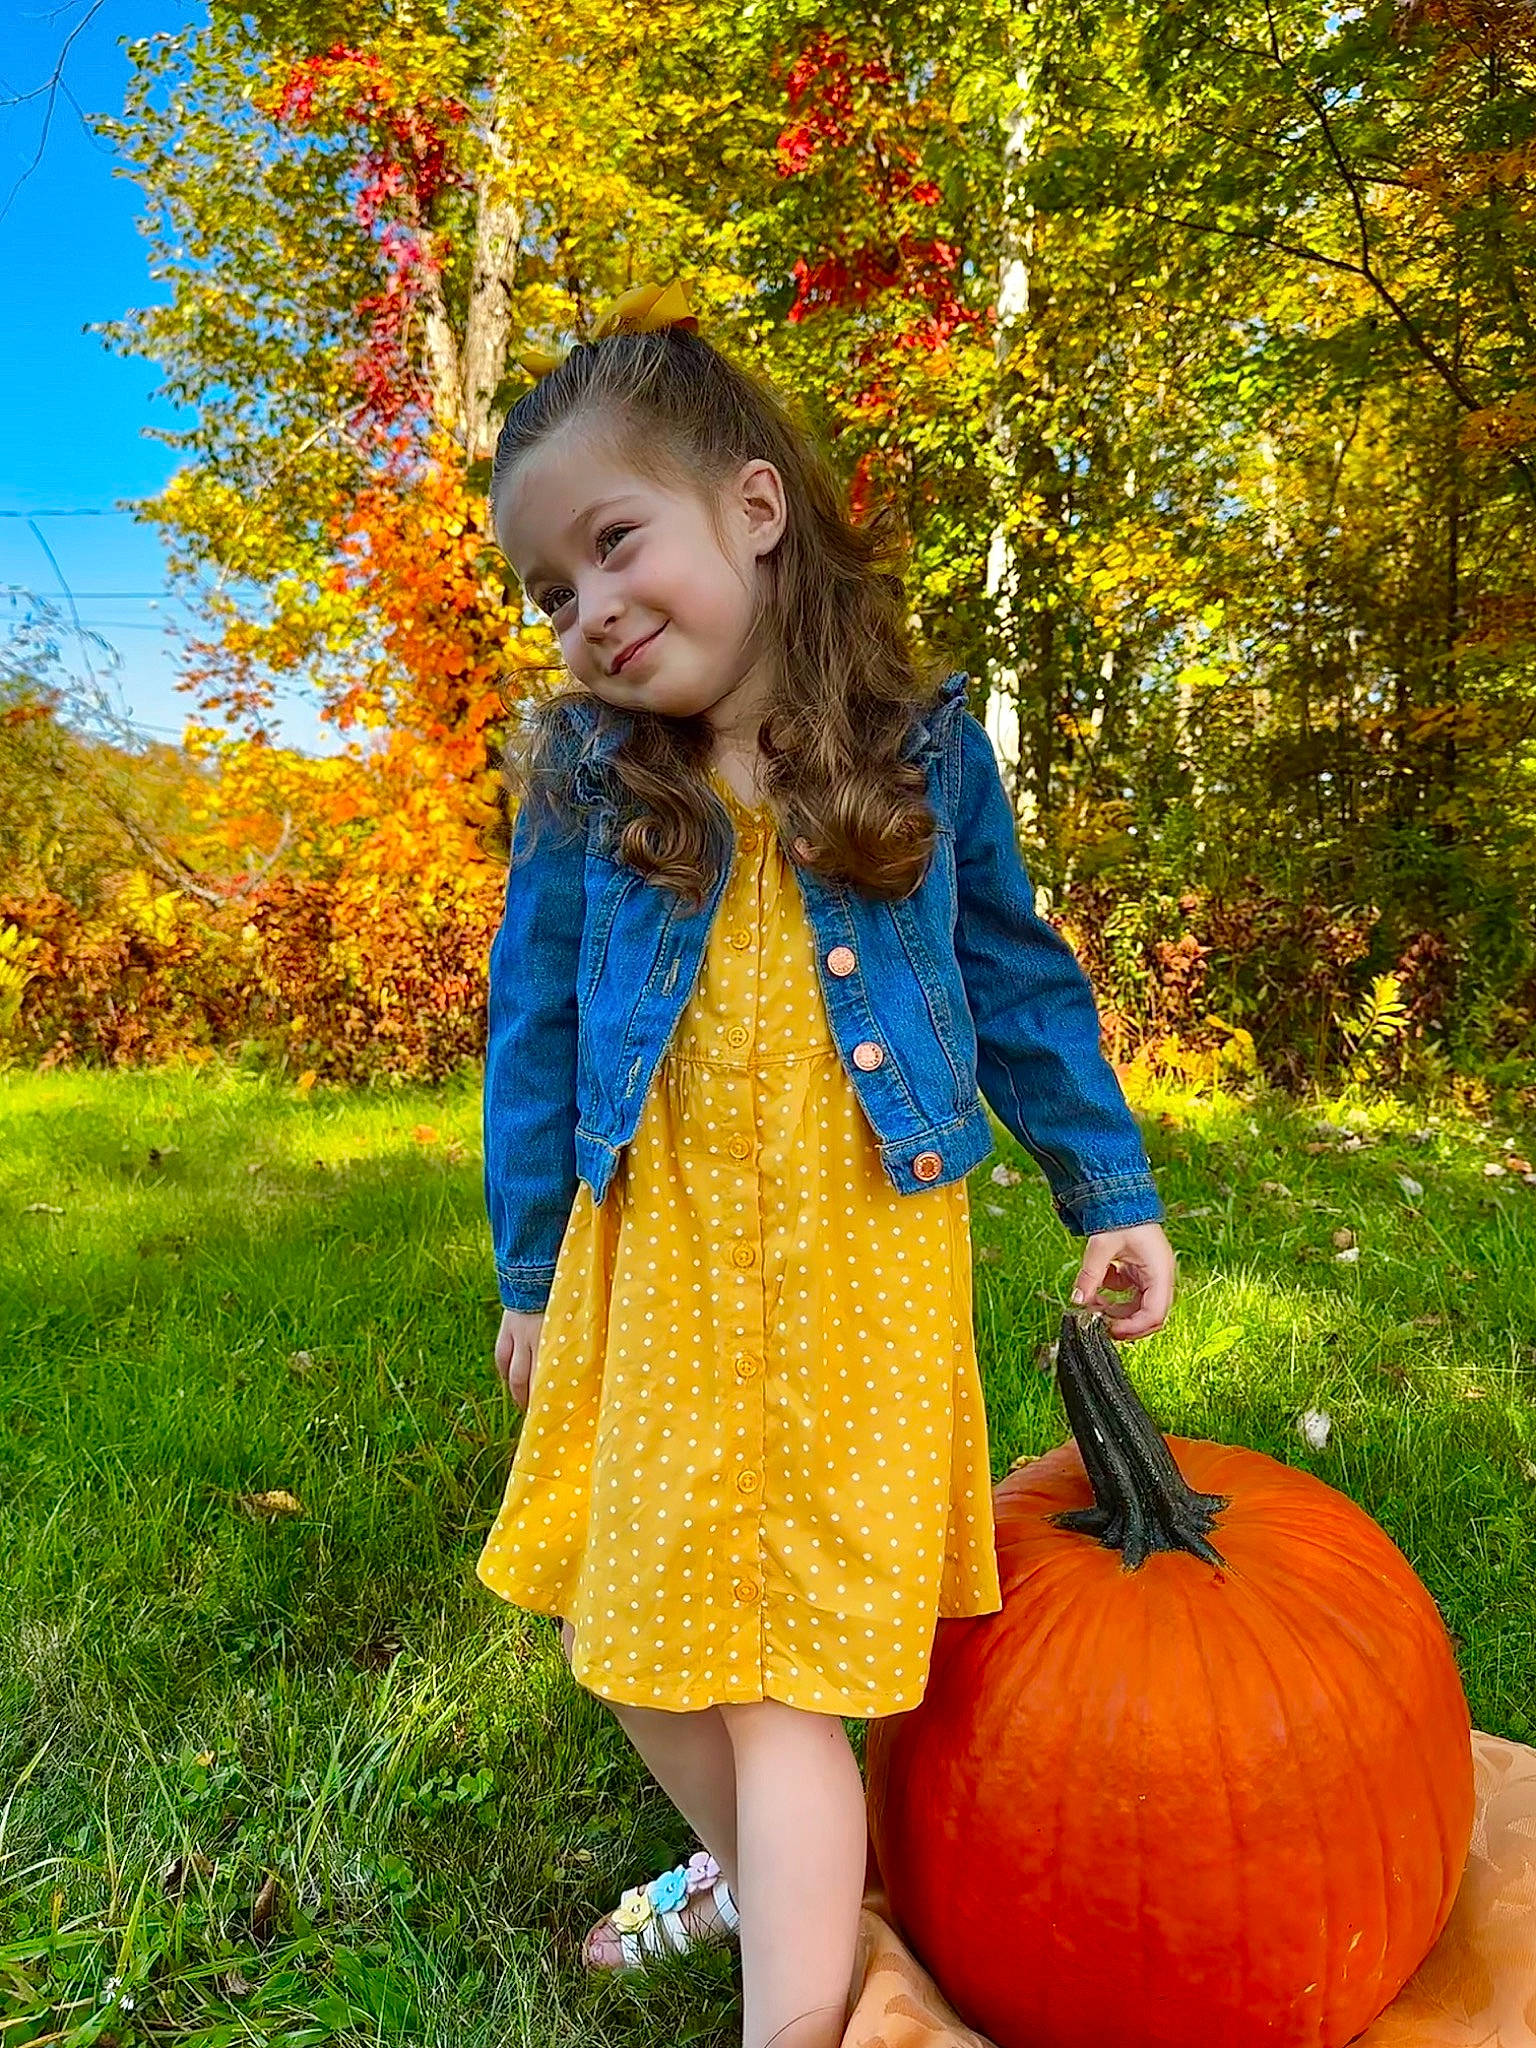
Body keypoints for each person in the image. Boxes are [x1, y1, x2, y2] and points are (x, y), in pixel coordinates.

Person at [475, 275, 1176, 2048]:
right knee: (622, 1630)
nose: (589, 610)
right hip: (661, 1261)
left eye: (615, 543)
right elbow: (535, 1033)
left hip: (856, 1266)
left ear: (755, 508)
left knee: (779, 1684)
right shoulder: (589, 778)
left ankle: (799, 2005)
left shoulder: (918, 749)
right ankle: (782, 1880)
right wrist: (532, 1274)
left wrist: (1109, 1188)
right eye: (551, 590)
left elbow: (1017, 980)